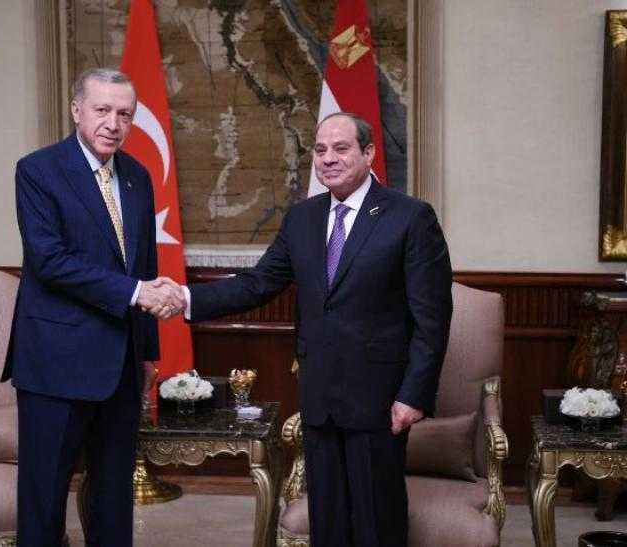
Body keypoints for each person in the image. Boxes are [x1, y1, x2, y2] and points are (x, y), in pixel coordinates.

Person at [164, 112, 453, 547]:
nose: (328, 158)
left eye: (341, 148)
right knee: (328, 522)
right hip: (319, 397)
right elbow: (258, 283)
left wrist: (413, 395)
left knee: (377, 522)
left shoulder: (410, 217)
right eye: (320, 150)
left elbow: (433, 317)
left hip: (379, 400)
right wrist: (184, 299)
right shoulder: (302, 218)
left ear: (368, 153)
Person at [1, 68, 184, 547]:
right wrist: (135, 293)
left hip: (122, 365)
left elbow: (145, 266)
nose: (113, 123)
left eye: (124, 114)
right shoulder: (38, 171)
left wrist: (148, 353)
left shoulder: (138, 177)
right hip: (55, 363)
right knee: (44, 501)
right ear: (76, 110)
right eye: (102, 110)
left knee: (113, 500)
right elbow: (50, 261)